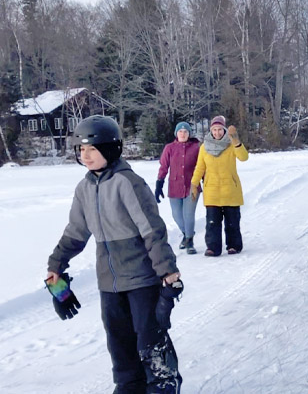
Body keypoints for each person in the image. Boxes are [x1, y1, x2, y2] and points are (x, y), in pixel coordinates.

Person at [45, 115, 183, 393]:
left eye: (92, 149)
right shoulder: (84, 189)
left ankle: (163, 386)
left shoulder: (127, 183)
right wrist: (55, 266)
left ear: (110, 149)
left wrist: (168, 272)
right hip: (109, 284)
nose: (85, 155)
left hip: (142, 280)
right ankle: (129, 387)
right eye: (81, 149)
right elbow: (76, 232)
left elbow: (152, 231)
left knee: (150, 343)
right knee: (120, 347)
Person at [191, 115, 248, 256]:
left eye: (220, 130)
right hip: (212, 191)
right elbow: (200, 168)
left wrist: (236, 142)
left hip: (230, 190)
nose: (217, 132)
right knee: (212, 223)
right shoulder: (204, 147)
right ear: (211, 131)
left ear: (224, 130)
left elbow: (244, 157)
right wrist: (194, 183)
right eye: (214, 130)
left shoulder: (231, 144)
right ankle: (213, 247)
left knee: (232, 222)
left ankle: (233, 245)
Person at [156, 121, 200, 255]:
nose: (183, 134)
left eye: (185, 131)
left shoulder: (197, 147)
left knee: (188, 215)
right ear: (176, 133)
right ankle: (187, 234)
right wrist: (159, 183)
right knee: (176, 216)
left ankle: (189, 241)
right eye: (180, 131)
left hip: (192, 187)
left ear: (189, 134)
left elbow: (202, 167)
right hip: (174, 187)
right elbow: (164, 167)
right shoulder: (169, 148)